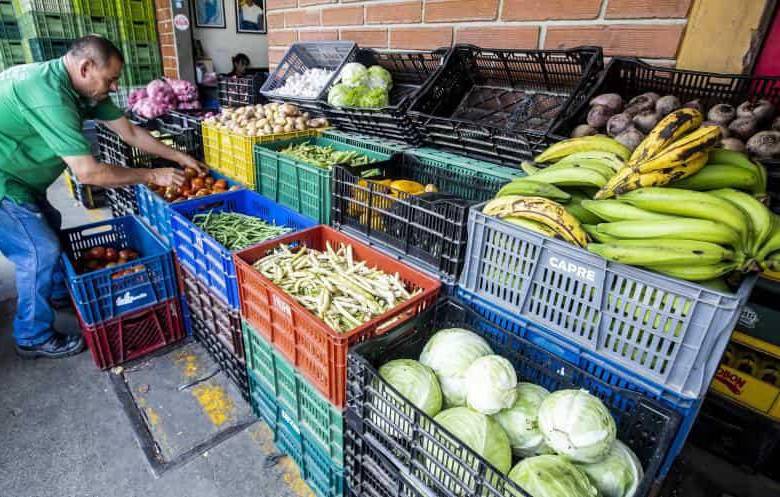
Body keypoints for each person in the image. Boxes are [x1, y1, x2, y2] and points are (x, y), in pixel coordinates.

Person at [0, 35, 207, 359]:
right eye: (110, 79)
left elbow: (131, 132)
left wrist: (177, 157)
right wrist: (152, 174)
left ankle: (56, 294)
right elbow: (89, 173)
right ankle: (32, 335)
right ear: (85, 68)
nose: (113, 88)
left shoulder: (84, 90)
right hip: (4, 180)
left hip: (22, 178)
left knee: (51, 226)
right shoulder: (48, 94)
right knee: (38, 250)